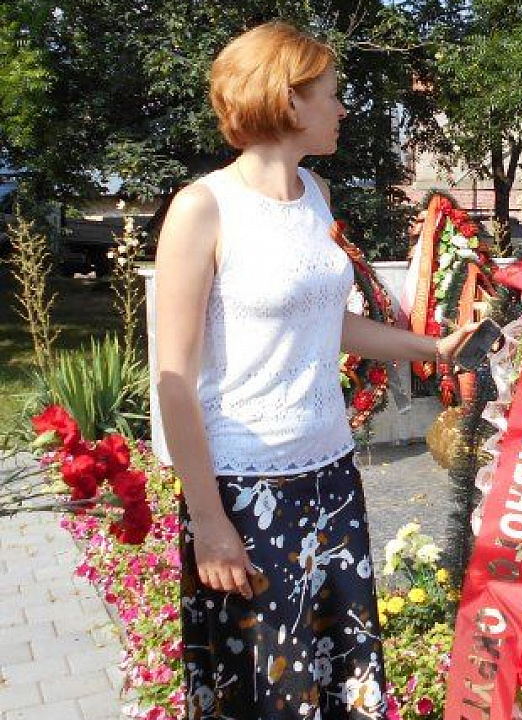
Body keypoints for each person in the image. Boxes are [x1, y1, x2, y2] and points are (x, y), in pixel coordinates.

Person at [154, 22, 476, 719]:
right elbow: (172, 377)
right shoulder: (202, 208)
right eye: (332, 94)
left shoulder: (316, 192)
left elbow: (325, 322)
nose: (342, 108)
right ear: (289, 101)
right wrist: (208, 519)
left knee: (338, 682)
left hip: (330, 473)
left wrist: (433, 348)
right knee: (268, 689)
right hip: (245, 492)